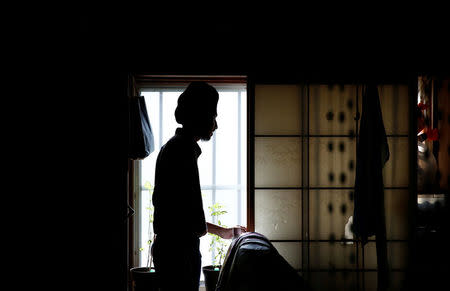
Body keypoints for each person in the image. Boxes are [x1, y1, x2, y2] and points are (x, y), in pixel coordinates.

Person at [151, 81, 246, 290]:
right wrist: (219, 231)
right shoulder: (182, 152)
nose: (216, 125)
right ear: (200, 115)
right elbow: (188, 220)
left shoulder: (176, 148)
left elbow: (183, 214)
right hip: (178, 253)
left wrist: (222, 231)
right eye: (213, 116)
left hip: (172, 249)